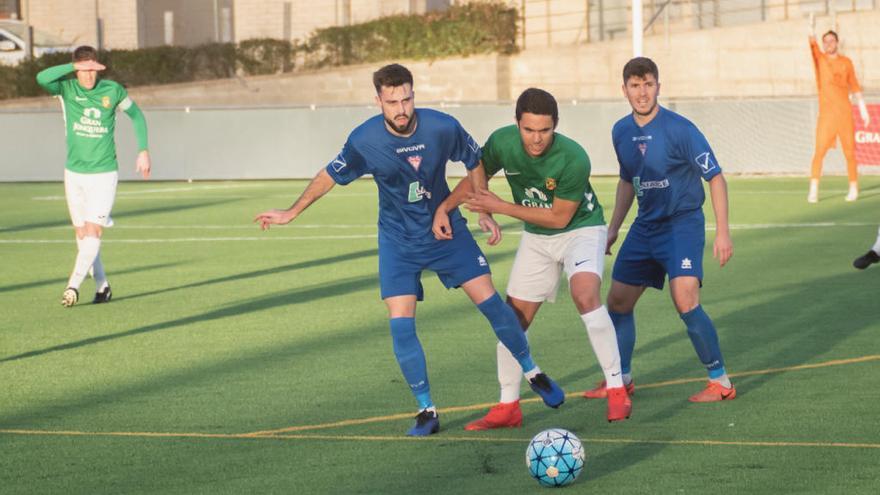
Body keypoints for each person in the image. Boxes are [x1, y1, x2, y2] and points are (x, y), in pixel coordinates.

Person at [254, 64, 564, 437]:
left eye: (406, 98)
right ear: (378, 101)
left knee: (492, 304)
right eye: (392, 102)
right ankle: (426, 410)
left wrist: (481, 208)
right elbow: (329, 175)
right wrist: (291, 212)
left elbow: (474, 160)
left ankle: (533, 372)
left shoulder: (441, 127)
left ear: (413, 94)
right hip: (398, 241)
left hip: (446, 232)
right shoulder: (363, 140)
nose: (401, 108)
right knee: (401, 326)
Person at [434, 88, 631, 429]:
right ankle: (508, 406)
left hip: (581, 230)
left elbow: (559, 218)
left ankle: (617, 389)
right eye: (529, 130)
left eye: (545, 130)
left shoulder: (574, 157)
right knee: (512, 320)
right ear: (517, 123)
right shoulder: (501, 142)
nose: (537, 139)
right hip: (538, 238)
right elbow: (476, 178)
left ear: (555, 125)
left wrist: (499, 207)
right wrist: (444, 207)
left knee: (585, 294)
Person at [583, 57, 736, 403]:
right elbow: (627, 180)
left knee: (685, 299)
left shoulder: (681, 129)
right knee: (617, 302)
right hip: (645, 226)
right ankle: (621, 379)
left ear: (658, 87)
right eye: (635, 86)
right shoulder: (621, 131)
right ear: (624, 90)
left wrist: (723, 232)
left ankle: (721, 382)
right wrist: (613, 229)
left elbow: (716, 178)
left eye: (648, 84)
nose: (642, 92)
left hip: (682, 224)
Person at [36, 45, 151, 307]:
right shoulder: (66, 89)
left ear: (98, 67)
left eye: (92, 70)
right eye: (83, 71)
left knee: (93, 232)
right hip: (74, 173)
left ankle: (72, 286)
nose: (89, 77)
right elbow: (41, 78)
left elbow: (136, 116)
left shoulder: (112, 90)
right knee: (81, 234)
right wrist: (73, 67)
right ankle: (103, 285)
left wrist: (143, 150)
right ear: (77, 70)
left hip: (103, 172)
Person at [807, 16, 870, 203]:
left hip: (845, 115)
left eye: (831, 41)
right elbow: (812, 46)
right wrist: (811, 28)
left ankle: (853, 187)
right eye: (825, 41)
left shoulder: (846, 62)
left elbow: (855, 86)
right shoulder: (820, 60)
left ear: (837, 42)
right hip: (826, 116)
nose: (828, 44)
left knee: (850, 152)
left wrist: (863, 109)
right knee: (819, 152)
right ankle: (814, 188)